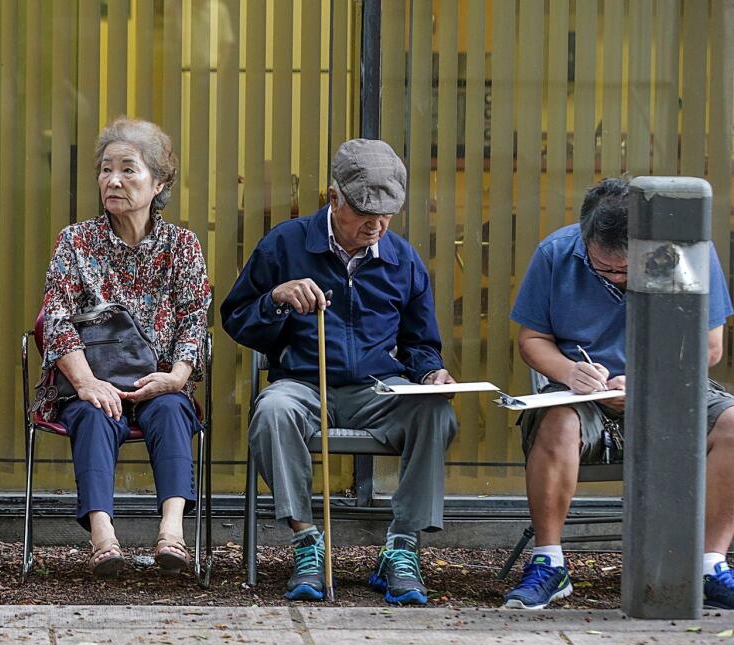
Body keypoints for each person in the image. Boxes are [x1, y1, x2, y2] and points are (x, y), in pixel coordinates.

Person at [221, 138, 458, 604]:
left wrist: (432, 373)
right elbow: (236, 319)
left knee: (436, 411)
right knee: (272, 410)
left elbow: (421, 343)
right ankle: (307, 540)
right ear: (333, 199)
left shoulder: (403, 259)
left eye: (387, 212)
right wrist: (274, 300)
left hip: (379, 389)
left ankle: (401, 546)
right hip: (305, 384)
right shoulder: (286, 243)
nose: (376, 224)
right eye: (364, 210)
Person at [506, 177, 734, 610]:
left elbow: (710, 346)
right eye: (605, 268)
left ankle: (708, 564)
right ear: (585, 238)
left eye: (628, 270)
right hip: (584, 395)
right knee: (557, 421)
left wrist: (650, 382)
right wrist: (571, 372)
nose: (617, 278)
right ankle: (549, 562)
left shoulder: (684, 251)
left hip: (671, 384)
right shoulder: (557, 253)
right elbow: (532, 339)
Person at [33, 117, 211, 577]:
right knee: (94, 414)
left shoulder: (182, 247)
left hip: (159, 381)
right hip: (90, 383)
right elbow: (55, 318)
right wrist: (88, 382)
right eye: (106, 169)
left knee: (172, 409)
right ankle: (102, 538)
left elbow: (196, 320)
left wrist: (176, 377)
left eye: (128, 170)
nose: (113, 180)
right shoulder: (76, 242)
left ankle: (172, 535)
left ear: (159, 182)